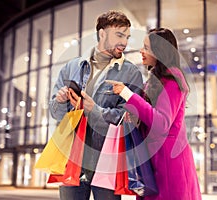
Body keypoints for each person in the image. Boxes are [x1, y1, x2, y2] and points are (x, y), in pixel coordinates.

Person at [49, 10, 143, 200]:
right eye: (119, 35)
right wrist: (59, 101)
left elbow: (131, 119)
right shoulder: (71, 68)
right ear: (102, 34)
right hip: (72, 159)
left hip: (107, 162)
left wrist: (94, 110)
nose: (124, 42)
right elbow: (54, 113)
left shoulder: (131, 73)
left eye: (127, 36)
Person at [107, 28, 202, 200]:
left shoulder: (172, 80)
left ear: (160, 52)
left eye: (147, 48)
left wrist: (128, 95)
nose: (141, 51)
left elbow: (161, 123)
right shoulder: (155, 79)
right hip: (154, 162)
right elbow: (150, 115)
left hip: (168, 165)